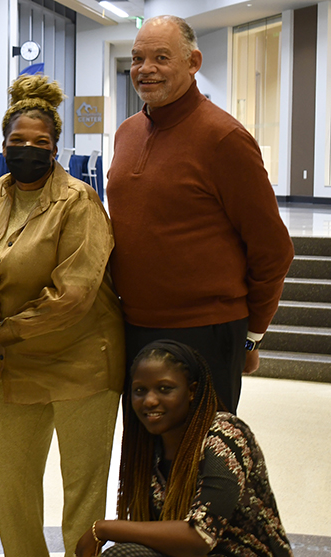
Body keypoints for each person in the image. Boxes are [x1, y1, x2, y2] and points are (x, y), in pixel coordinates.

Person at [0, 75, 124, 557]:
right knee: (11, 486)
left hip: (82, 361)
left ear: (56, 147)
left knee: (82, 495)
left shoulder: (79, 202)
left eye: (40, 145)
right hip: (21, 364)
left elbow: (71, 295)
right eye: (17, 144)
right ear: (3, 147)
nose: (27, 152)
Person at [107, 15, 294, 414]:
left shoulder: (224, 138)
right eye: (138, 58)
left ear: (193, 63)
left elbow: (273, 249)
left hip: (206, 333)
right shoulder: (127, 133)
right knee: (144, 460)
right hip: (135, 327)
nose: (145, 69)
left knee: (200, 461)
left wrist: (252, 335)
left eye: (161, 57)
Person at [72, 340, 295, 557]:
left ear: (192, 391)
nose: (150, 400)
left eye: (165, 389)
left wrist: (104, 529)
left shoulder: (224, 435)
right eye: (139, 390)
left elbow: (198, 537)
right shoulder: (148, 448)